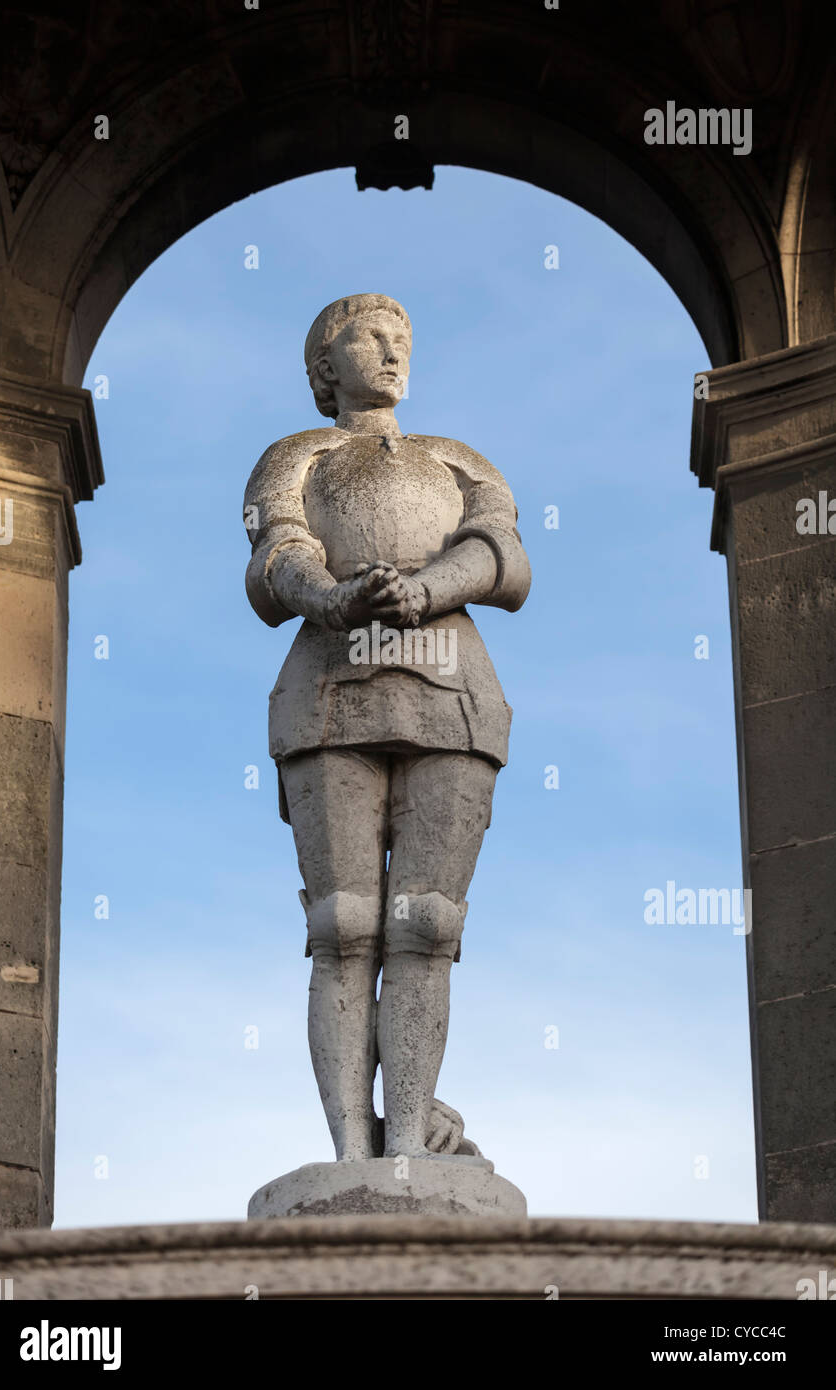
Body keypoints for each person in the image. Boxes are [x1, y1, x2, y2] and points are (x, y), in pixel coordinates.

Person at [244, 293, 530, 1162]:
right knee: (342, 925)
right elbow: (275, 554)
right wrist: (335, 598)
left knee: (428, 923)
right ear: (325, 369)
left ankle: (407, 1140)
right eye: (371, 337)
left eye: (402, 337)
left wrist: (429, 589)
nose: (394, 349)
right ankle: (351, 1155)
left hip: (451, 692)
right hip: (331, 687)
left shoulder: (456, 458)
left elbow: (505, 556)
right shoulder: (297, 454)